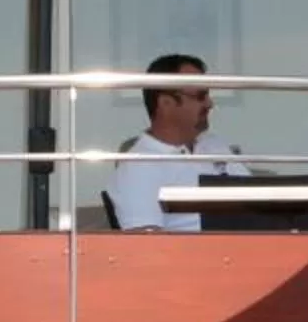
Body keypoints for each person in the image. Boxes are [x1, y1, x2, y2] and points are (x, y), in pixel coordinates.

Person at [104, 52, 247, 233]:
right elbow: (146, 249)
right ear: (166, 103)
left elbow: (258, 206)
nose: (210, 103)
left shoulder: (213, 144)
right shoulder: (139, 165)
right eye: (201, 95)